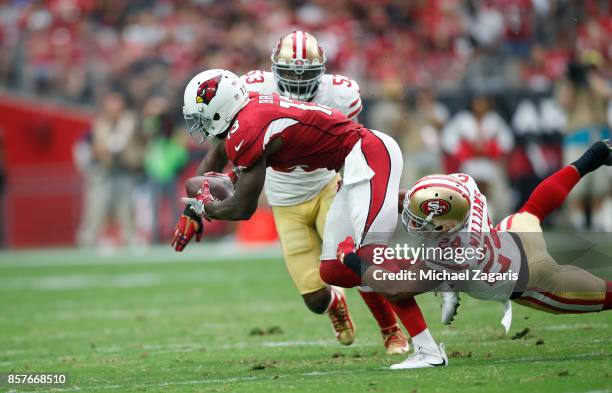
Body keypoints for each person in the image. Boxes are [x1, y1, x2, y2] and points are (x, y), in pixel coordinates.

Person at [176, 68, 446, 368]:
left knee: (371, 260)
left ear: (219, 110)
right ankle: (436, 219)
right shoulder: (246, 110)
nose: (198, 125)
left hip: (367, 156)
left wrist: (204, 209)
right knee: (334, 271)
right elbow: (217, 156)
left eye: (202, 116)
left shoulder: (247, 128)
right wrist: (192, 208)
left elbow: (243, 208)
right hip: (352, 164)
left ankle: (431, 342)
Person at [336, 140, 612, 368]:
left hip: (537, 281)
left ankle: (444, 295)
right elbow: (415, 202)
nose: (410, 223)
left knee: (605, 295)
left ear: (447, 225)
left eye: (419, 222)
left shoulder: (454, 254)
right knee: (532, 210)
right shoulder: (463, 186)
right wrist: (363, 196)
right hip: (513, 237)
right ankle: (594, 156)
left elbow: (395, 289)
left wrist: (349, 257)